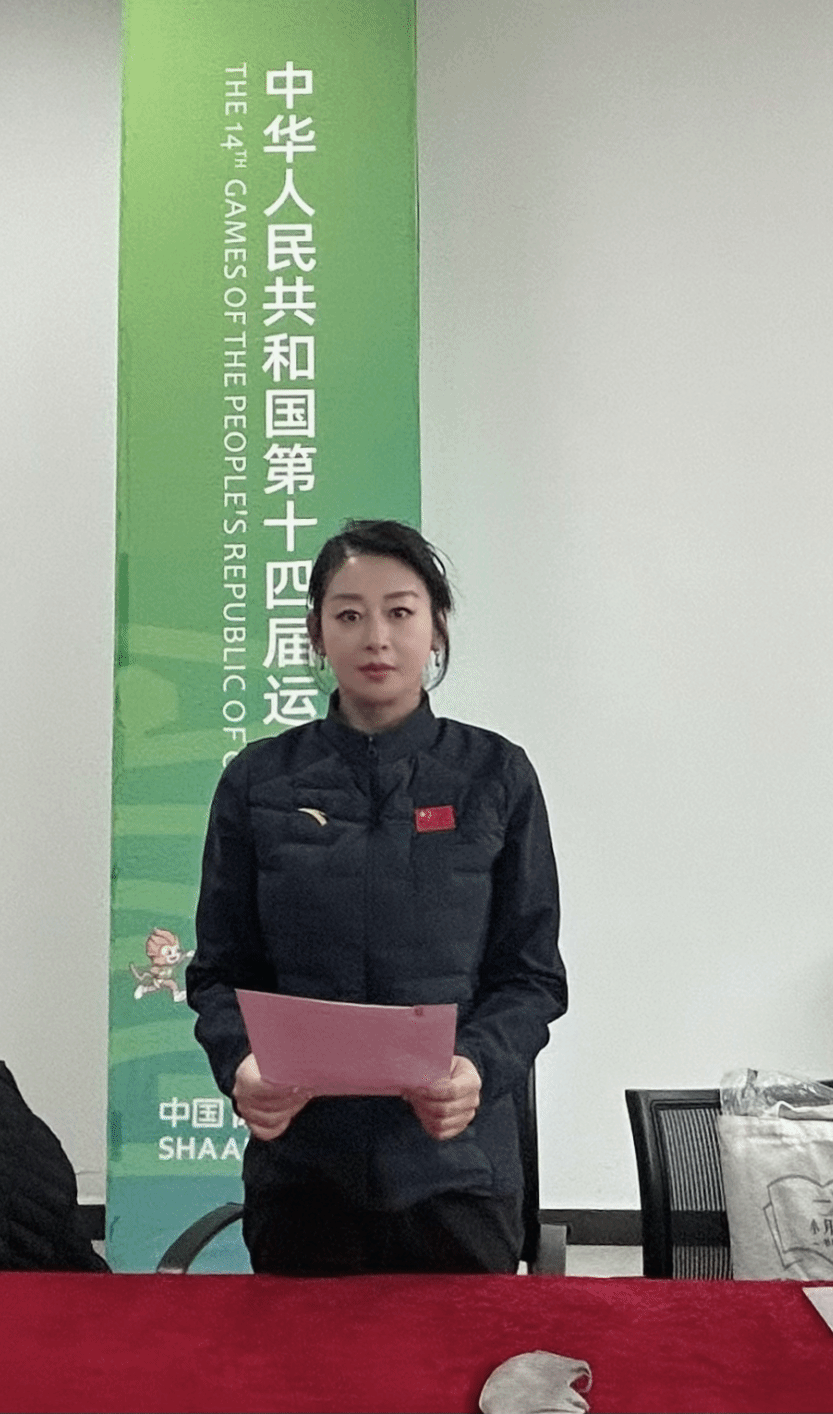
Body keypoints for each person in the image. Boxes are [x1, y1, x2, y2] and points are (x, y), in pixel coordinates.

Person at [187, 520, 568, 1274]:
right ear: (317, 634)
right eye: (349, 614)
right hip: (303, 1175)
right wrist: (240, 1063)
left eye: (400, 612)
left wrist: (475, 1067)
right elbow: (220, 973)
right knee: (302, 1353)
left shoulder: (494, 776)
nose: (376, 637)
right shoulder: (260, 781)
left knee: (462, 1353)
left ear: (436, 629)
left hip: (457, 1174)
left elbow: (532, 977)